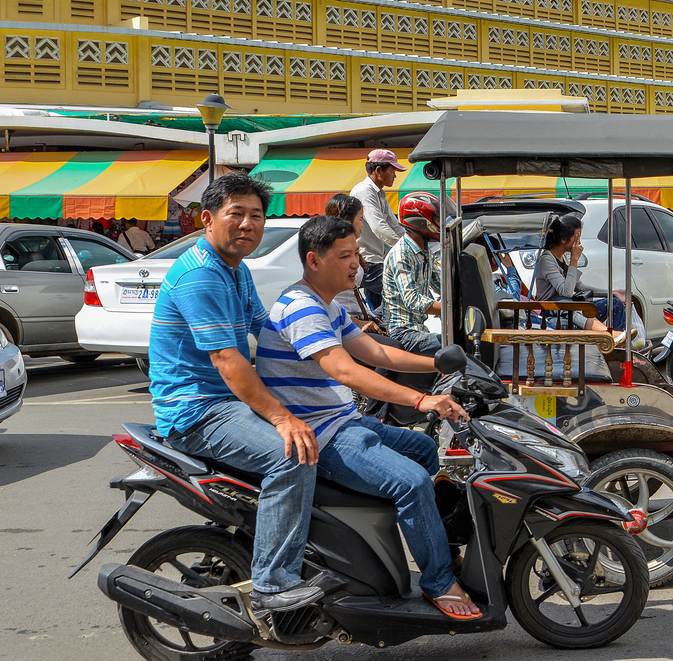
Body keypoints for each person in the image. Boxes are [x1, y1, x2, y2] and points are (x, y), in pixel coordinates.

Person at [256, 215, 481, 620]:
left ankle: (436, 549)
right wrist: (420, 400)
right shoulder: (302, 306)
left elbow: (375, 352)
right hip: (323, 435)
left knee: (424, 448)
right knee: (412, 481)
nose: (356, 263)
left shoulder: (325, 304)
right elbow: (346, 370)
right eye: (345, 255)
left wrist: (439, 365)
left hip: (343, 422)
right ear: (314, 260)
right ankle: (437, 581)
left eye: (356, 253)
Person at [148, 172, 322, 614]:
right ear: (208, 219)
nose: (247, 224)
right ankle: (272, 584)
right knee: (292, 452)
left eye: (256, 216)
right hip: (198, 411)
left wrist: (328, 347)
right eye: (236, 214)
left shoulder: (235, 269)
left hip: (222, 404)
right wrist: (283, 417)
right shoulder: (202, 276)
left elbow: (265, 328)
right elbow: (229, 361)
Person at [533, 212, 620, 335]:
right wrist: (574, 260)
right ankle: (609, 333)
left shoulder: (563, 258)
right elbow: (566, 291)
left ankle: (619, 347)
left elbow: (579, 286)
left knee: (615, 304)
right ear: (564, 239)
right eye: (576, 237)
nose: (579, 242)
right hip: (553, 307)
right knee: (567, 304)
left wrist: (611, 293)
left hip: (566, 305)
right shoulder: (547, 259)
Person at [383, 192, 444, 356]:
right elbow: (413, 300)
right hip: (402, 332)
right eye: (437, 220)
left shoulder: (425, 251)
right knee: (452, 348)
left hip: (418, 329)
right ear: (421, 222)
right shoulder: (401, 254)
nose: (440, 224)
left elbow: (441, 284)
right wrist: (449, 308)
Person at [349, 150, 406, 316]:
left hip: (376, 259)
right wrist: (406, 249)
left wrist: (412, 243)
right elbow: (379, 226)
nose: (395, 176)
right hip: (368, 261)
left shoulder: (379, 193)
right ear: (378, 170)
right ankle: (375, 322)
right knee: (400, 296)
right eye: (392, 171)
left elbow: (394, 225)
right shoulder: (364, 190)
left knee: (380, 306)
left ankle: (377, 328)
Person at [323, 192, 381, 333]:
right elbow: (327, 301)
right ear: (348, 221)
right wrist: (358, 323)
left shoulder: (348, 247)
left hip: (360, 316)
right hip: (348, 323)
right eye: (360, 219)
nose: (362, 225)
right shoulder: (334, 253)